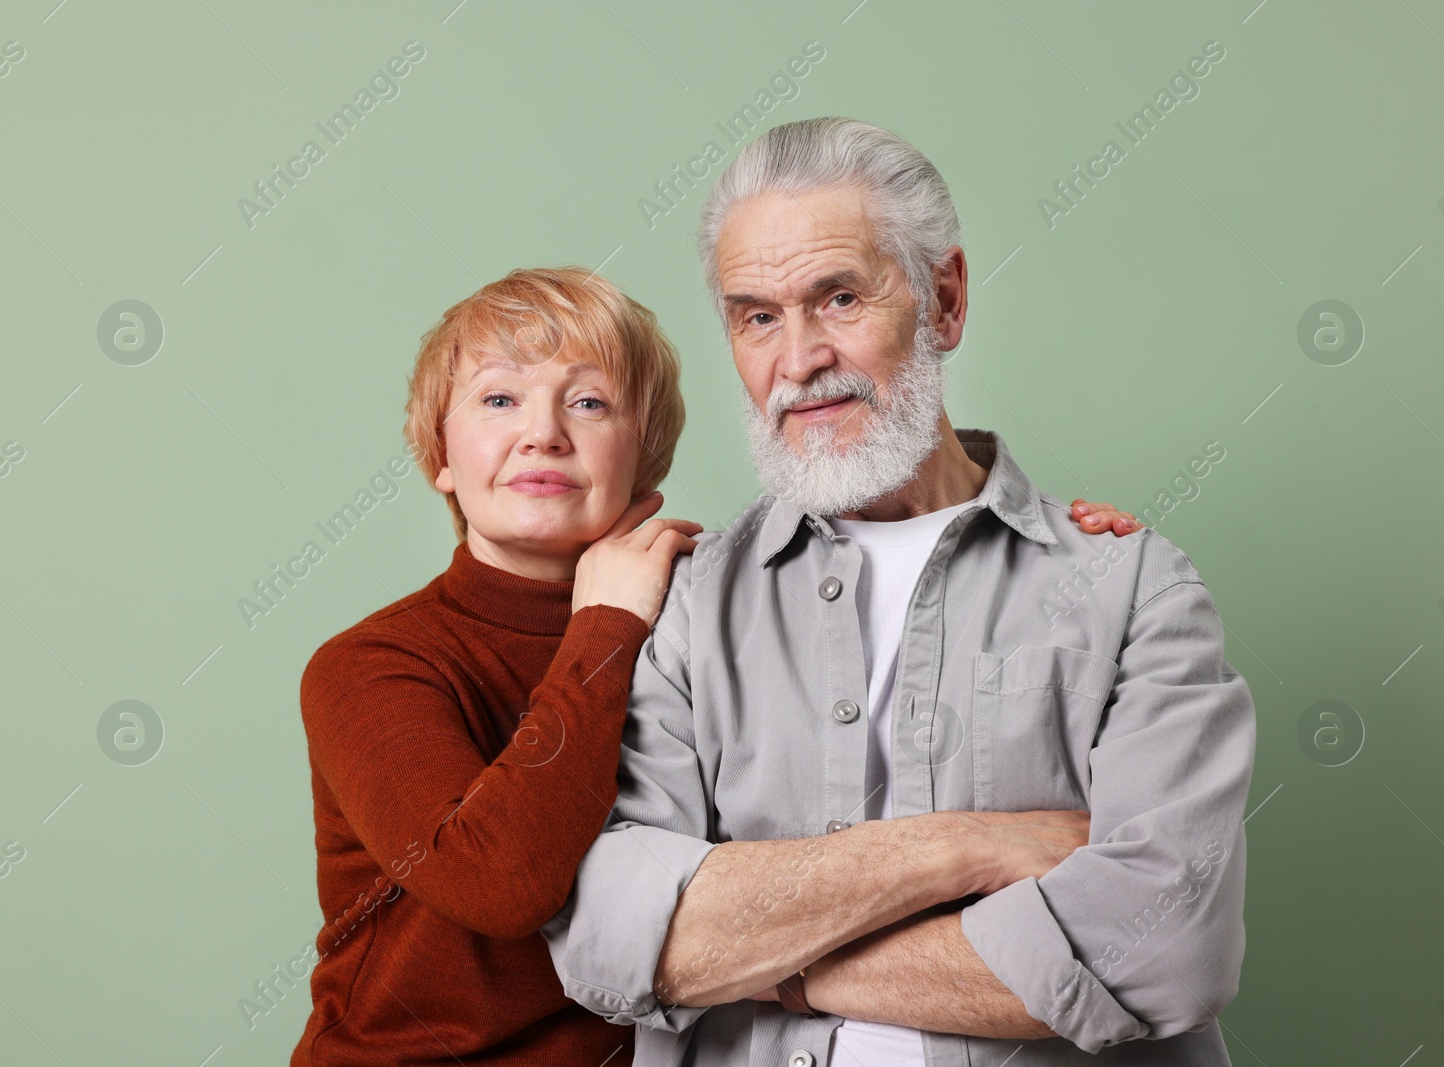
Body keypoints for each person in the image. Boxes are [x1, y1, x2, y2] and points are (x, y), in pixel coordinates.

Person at [290, 263, 1147, 1064]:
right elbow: (502, 881)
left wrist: (1058, 550)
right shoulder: (371, 666)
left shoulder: (710, 603)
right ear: (441, 455)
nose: (542, 434)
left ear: (646, 453)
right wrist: (601, 628)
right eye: (499, 399)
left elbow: (891, 651)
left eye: (588, 403)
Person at [542, 118, 1256, 1066]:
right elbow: (609, 940)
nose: (797, 361)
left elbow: (1163, 945)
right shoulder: (677, 604)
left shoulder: (1130, 588)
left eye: (838, 298)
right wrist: (963, 848)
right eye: (756, 316)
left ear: (944, 299)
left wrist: (770, 958)